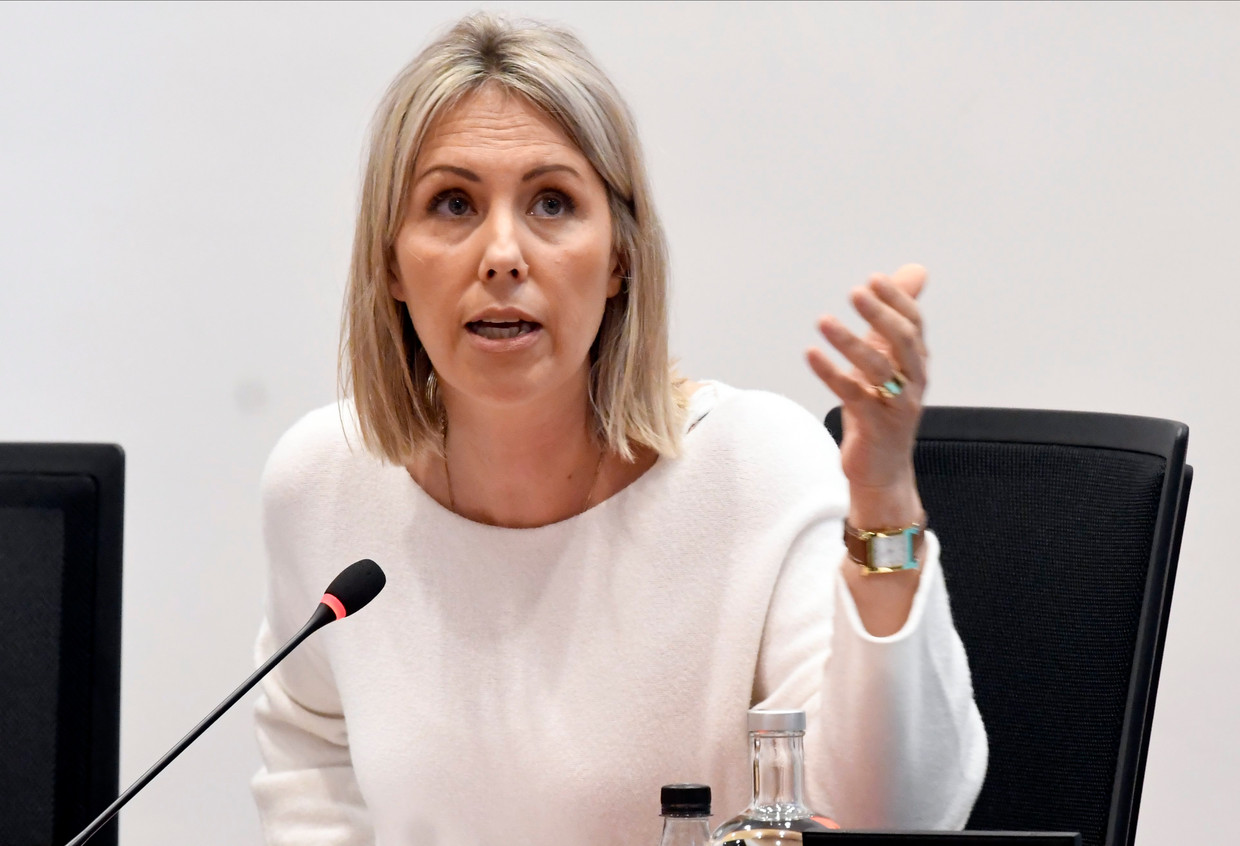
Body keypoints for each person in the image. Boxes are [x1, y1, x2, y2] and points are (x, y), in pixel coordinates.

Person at [251, 11, 987, 845]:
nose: (502, 254)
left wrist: (884, 502)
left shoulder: (758, 471)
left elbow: (893, 820)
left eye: (552, 202)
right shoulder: (323, 483)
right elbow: (311, 763)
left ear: (619, 259)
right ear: (389, 259)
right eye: (453, 203)